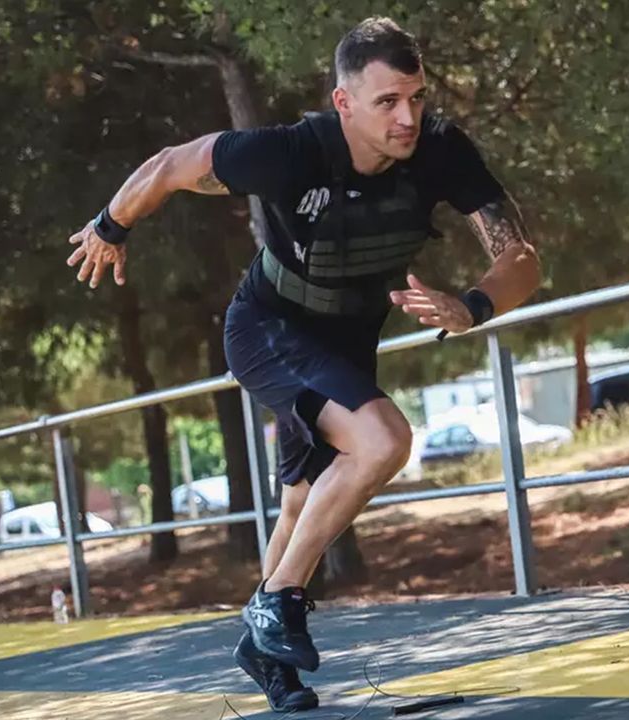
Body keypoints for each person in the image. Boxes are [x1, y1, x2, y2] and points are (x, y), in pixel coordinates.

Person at [65, 16, 540, 713]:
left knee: (302, 500)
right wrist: (111, 224)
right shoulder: (292, 152)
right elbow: (172, 164)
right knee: (384, 440)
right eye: (387, 102)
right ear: (345, 102)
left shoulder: (441, 151)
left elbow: (521, 257)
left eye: (417, 97)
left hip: (346, 344)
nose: (407, 117)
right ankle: (277, 601)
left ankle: (266, 657)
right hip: (268, 328)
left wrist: (472, 304)